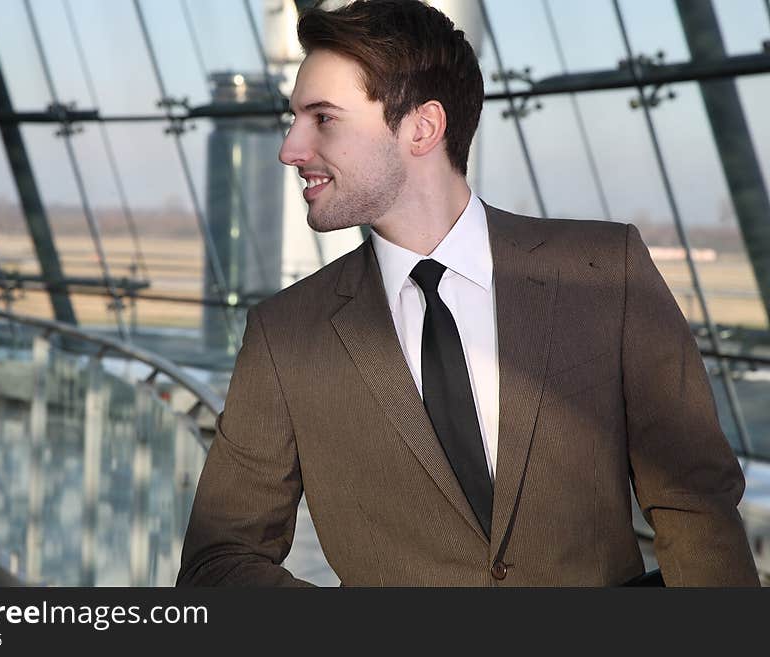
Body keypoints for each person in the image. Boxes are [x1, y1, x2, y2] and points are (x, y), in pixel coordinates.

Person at [178, 0, 759, 586]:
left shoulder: (606, 274)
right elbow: (218, 560)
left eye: (323, 118)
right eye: (294, 117)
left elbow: (698, 508)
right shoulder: (285, 334)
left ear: (423, 128)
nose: (291, 148)